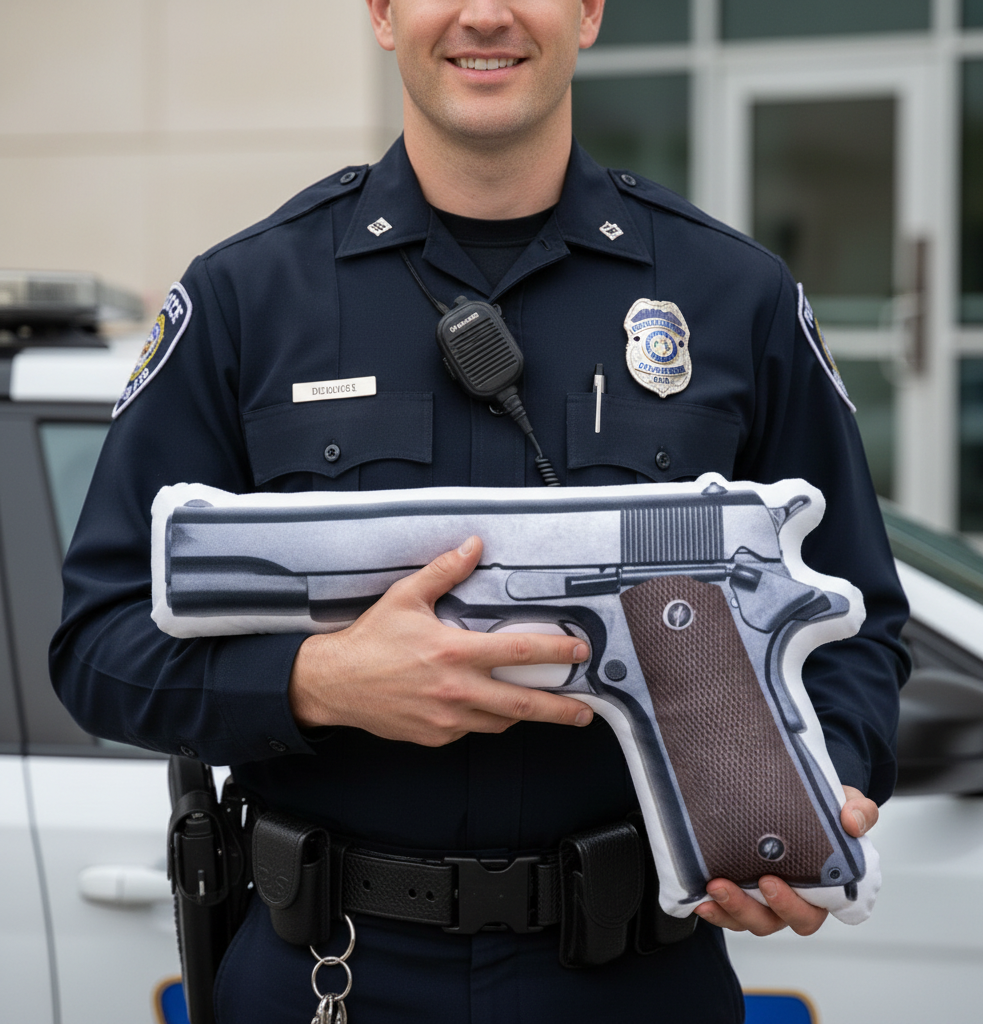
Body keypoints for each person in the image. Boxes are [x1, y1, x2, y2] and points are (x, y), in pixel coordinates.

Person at [50, 0, 909, 1021]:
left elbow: (856, 617)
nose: (485, 15)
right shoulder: (249, 296)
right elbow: (99, 642)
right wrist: (317, 681)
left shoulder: (731, 295)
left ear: (588, 11)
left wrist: (816, 794)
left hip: (636, 970)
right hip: (335, 965)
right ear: (380, 12)